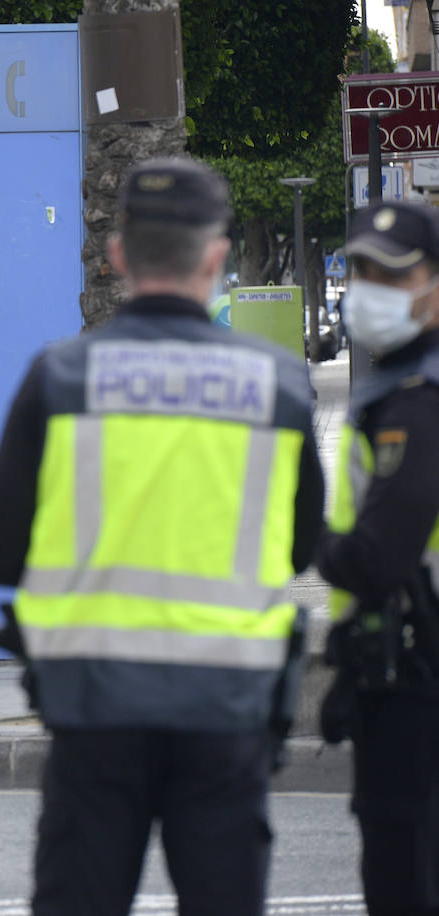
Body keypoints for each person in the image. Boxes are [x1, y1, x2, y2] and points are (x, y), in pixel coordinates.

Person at [0, 158, 324, 915]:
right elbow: (301, 547)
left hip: (93, 710)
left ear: (119, 256)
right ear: (216, 257)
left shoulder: (60, 378)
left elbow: (1, 553)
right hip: (228, 708)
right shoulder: (276, 386)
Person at [316, 201, 439, 916]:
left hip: (420, 683)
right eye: (362, 270)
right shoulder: (396, 389)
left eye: (394, 275)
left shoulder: (418, 404)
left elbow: (377, 557)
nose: (371, 288)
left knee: (404, 880)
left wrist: (303, 539)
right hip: (401, 668)